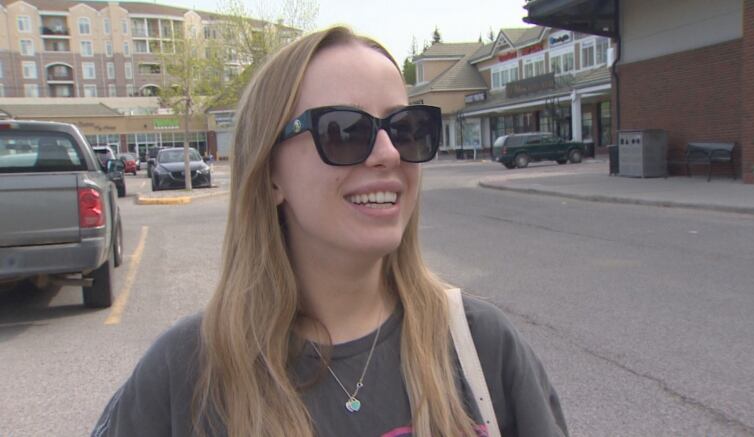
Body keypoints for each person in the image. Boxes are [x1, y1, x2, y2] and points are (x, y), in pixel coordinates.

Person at [92, 26, 568, 437]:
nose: (388, 153)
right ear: (271, 172)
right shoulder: (187, 373)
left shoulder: (481, 347)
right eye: (343, 130)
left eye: (406, 128)